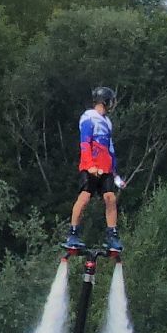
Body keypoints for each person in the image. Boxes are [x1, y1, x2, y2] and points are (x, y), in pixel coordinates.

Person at [66, 86, 123, 254]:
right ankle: (73, 233)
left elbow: (110, 148)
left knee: (110, 198)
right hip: (91, 166)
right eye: (110, 101)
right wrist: (90, 165)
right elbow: (85, 142)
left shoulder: (108, 122)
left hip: (105, 167)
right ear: (104, 101)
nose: (112, 104)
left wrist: (115, 173)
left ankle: (112, 235)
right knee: (84, 197)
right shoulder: (89, 117)